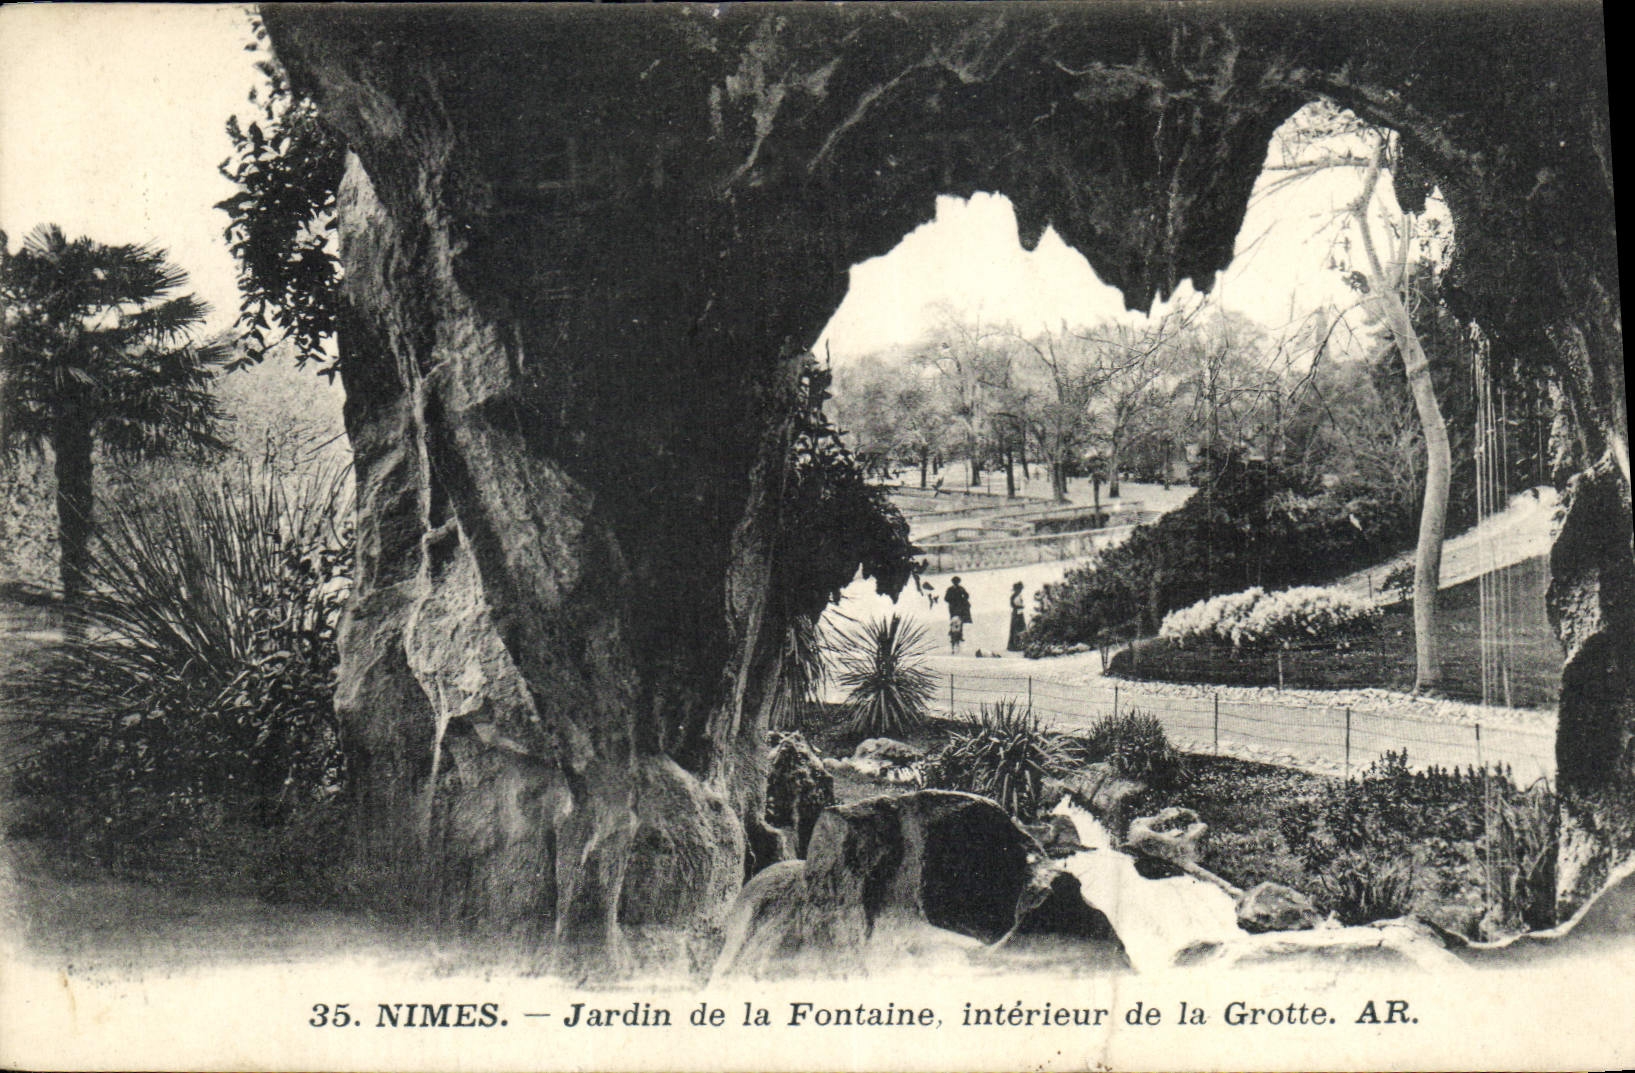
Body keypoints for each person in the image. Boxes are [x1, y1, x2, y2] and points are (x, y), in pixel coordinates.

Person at [944, 577, 972, 652]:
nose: (956, 583)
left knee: (959, 621)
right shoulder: (952, 589)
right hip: (954, 608)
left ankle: (959, 634)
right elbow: (946, 598)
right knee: (954, 621)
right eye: (955, 582)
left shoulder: (959, 589)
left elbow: (966, 595)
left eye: (957, 582)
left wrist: (963, 599)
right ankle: (953, 633)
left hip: (958, 608)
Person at [1007, 581, 1027, 651]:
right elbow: (1015, 605)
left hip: (1017, 613)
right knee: (1018, 628)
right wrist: (1020, 606)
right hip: (1017, 614)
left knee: (1017, 628)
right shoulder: (1015, 596)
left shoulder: (1015, 596)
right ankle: (1017, 645)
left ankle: (1017, 645)